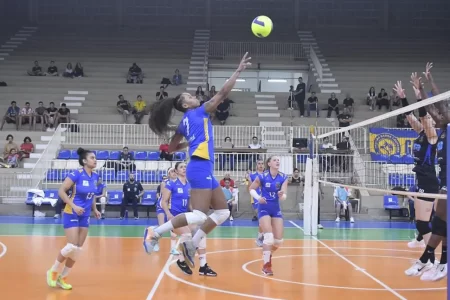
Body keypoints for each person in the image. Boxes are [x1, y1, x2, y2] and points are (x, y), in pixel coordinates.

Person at [143, 53, 252, 269]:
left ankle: (191, 245)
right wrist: (238, 71)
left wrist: (190, 143)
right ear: (186, 104)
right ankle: (154, 232)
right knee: (200, 214)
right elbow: (222, 93)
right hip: (199, 166)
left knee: (222, 212)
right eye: (189, 96)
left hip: (203, 166)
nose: (194, 96)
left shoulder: (185, 121)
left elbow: (172, 148)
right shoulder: (199, 111)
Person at [394, 79, 439, 277]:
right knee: (422, 222)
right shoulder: (420, 132)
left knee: (423, 223)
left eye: (428, 117)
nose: (425, 119)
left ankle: (431, 260)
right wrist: (404, 98)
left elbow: (421, 113)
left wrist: (419, 95)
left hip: (428, 181)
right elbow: (409, 115)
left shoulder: (432, 135)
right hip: (422, 180)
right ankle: (429, 258)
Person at [46, 148, 101, 290]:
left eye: (95, 158)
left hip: (85, 214)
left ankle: (62, 278)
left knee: (77, 249)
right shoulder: (75, 175)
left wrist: (95, 209)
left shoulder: (95, 176)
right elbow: (61, 191)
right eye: (92, 158)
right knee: (71, 246)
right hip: (72, 211)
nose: (95, 160)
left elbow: (92, 195)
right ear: (84, 161)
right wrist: (74, 206)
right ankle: (53, 271)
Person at [413, 62, 448, 281]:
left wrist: (430, 81)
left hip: (445, 182)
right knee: (441, 222)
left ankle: (432, 261)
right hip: (445, 180)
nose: (438, 115)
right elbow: (430, 108)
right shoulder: (442, 128)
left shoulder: (448, 125)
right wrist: (420, 92)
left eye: (442, 113)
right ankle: (434, 262)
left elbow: (440, 102)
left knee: (441, 221)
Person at [249, 156, 288, 276]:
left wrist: (282, 195)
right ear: (269, 163)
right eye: (275, 160)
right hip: (264, 207)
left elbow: (284, 195)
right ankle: (266, 266)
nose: (277, 161)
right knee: (269, 236)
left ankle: (268, 255)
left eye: (278, 160)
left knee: (278, 241)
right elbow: (251, 189)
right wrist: (258, 198)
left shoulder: (283, 177)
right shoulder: (262, 176)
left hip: (276, 208)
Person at [154, 168, 179, 254]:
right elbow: (165, 195)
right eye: (172, 172)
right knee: (162, 227)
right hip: (162, 206)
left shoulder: (179, 183)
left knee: (173, 228)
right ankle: (155, 241)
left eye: (175, 171)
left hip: (171, 206)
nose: (174, 173)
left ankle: (173, 248)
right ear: (168, 174)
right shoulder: (165, 182)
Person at [248, 159, 265, 246]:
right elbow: (250, 188)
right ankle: (260, 238)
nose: (261, 165)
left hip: (266, 198)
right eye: (259, 164)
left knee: (266, 219)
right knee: (261, 218)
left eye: (262, 164)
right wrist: (248, 178)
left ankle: (262, 237)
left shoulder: (267, 175)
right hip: (257, 198)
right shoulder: (253, 175)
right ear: (256, 165)